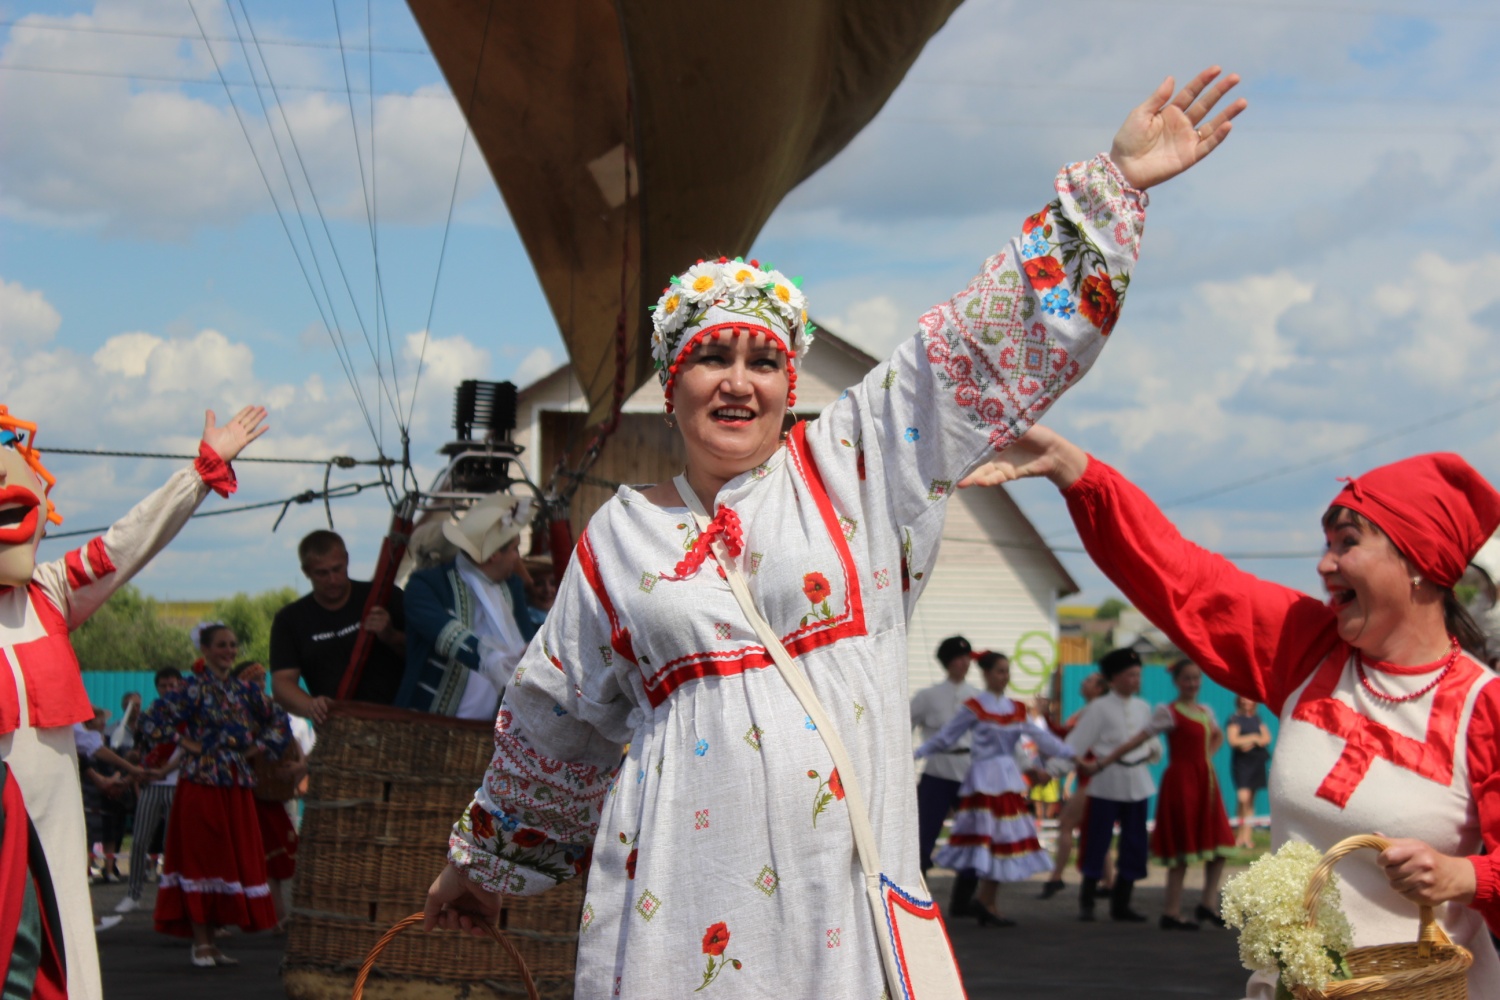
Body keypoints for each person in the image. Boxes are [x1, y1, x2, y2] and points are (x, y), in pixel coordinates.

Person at [421, 66, 1245, 997]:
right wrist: (482, 870)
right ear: (671, 382)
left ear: (791, 383)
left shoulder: (854, 468)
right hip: (678, 900)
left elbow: (966, 348)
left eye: (763, 360)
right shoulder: (621, 534)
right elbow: (555, 718)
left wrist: (1115, 188)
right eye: (711, 358)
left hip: (839, 896)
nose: (738, 380)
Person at [961, 423, 1500, 996]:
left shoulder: (1483, 707)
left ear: (1420, 563)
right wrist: (1073, 469)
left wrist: (1464, 874)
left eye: (1348, 543)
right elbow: (1185, 579)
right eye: (1327, 544)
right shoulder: (1307, 648)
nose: (1324, 564)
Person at [0, 400, 263, 1000]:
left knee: (62, 941)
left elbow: (128, 541)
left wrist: (199, 473)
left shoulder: (49, 593)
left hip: (53, 818)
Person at [139, 624, 289, 967]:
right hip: (201, 784)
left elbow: (279, 721)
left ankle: (213, 939)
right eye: (222, 645)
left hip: (235, 784)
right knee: (201, 859)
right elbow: (150, 721)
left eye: (233, 645)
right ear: (205, 650)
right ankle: (201, 942)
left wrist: (257, 749)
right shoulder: (190, 690)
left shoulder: (245, 691)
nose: (229, 651)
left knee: (227, 860)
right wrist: (184, 742)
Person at [915, 651, 1074, 927]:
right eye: (1000, 671)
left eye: (1007, 671)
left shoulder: (1015, 709)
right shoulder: (975, 706)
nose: (1005, 676)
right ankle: (974, 901)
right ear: (987, 674)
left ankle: (987, 901)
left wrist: (1072, 754)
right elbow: (945, 737)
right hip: (983, 779)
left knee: (1003, 841)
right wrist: (913, 755)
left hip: (1007, 780)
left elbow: (1037, 739)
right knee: (985, 841)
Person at [1089, 658, 1235, 930]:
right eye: (1187, 679)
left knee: (1219, 844)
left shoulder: (1205, 710)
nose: (1192, 684)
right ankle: (1172, 911)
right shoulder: (1168, 712)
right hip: (1182, 783)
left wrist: (1205, 760)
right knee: (1182, 846)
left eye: (1196, 678)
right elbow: (1137, 740)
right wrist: (1101, 763)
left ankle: (1207, 903)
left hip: (1206, 781)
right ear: (1177, 682)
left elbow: (1217, 736)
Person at [396, 492, 539, 719]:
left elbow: (528, 644)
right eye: (514, 549)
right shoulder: (426, 585)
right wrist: (491, 659)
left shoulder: (511, 587)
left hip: (490, 732)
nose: (517, 558)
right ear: (492, 556)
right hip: (429, 728)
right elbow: (446, 635)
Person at [270, 529, 406, 723]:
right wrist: (312, 706)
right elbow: (282, 683)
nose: (332, 580)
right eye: (322, 573)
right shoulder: (289, 619)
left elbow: (424, 655)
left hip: (399, 719)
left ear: (347, 560)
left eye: (337, 569)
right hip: (340, 729)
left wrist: (391, 635)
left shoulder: (385, 596)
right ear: (306, 571)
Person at [1065, 648, 1161, 923]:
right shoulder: (1099, 708)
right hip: (1107, 781)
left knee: (1134, 843)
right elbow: (1075, 743)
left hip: (1138, 782)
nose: (1135, 680)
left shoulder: (1143, 707)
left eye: (1137, 675)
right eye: (1130, 675)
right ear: (1114, 679)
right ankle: (1087, 900)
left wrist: (1153, 750)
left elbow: (1151, 741)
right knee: (1097, 840)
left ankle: (1122, 902)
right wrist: (1062, 766)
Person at [908, 634, 981, 916]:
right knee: (923, 836)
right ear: (947, 662)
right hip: (937, 771)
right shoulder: (928, 697)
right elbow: (905, 726)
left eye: (966, 659)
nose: (963, 664)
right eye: (957, 658)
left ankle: (963, 901)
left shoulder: (977, 697)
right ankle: (916, 896)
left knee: (973, 836)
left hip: (969, 773)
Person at [231, 660, 304, 931]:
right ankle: (262, 916)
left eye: (262, 679)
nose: (260, 684)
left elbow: (291, 740)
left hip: (266, 793)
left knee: (272, 859)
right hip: (239, 789)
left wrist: (300, 765)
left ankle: (277, 915)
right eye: (254, 680)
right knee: (248, 859)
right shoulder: (232, 709)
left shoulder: (272, 709)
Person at [116, 667, 188, 915]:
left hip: (179, 784)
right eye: (164, 685)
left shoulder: (189, 714)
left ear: (181, 686)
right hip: (151, 785)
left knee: (176, 845)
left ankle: (176, 897)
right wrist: (133, 762)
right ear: (157, 688)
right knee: (138, 841)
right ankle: (133, 894)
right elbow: (140, 751)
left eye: (173, 685)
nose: (169, 689)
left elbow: (189, 751)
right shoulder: (149, 716)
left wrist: (165, 768)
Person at [1038, 671, 1113, 898]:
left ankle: (1057, 877)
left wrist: (1046, 717)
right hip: (1091, 776)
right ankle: (1108, 881)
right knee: (1095, 829)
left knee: (1067, 823)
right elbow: (1066, 735)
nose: (1083, 681)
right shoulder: (1090, 712)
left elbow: (1066, 736)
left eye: (1088, 680)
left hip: (1093, 777)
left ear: (1099, 688)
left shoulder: (1094, 713)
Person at [1225, 695, 1271, 850]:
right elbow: (1233, 741)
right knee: (1243, 798)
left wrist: (1248, 742)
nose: (1246, 701)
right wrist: (1253, 738)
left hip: (1257, 763)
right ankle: (1238, 835)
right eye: (1243, 698)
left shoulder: (1257, 719)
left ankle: (1247, 838)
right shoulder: (1234, 719)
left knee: (1251, 800)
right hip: (1242, 765)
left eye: (1249, 698)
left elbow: (1266, 739)